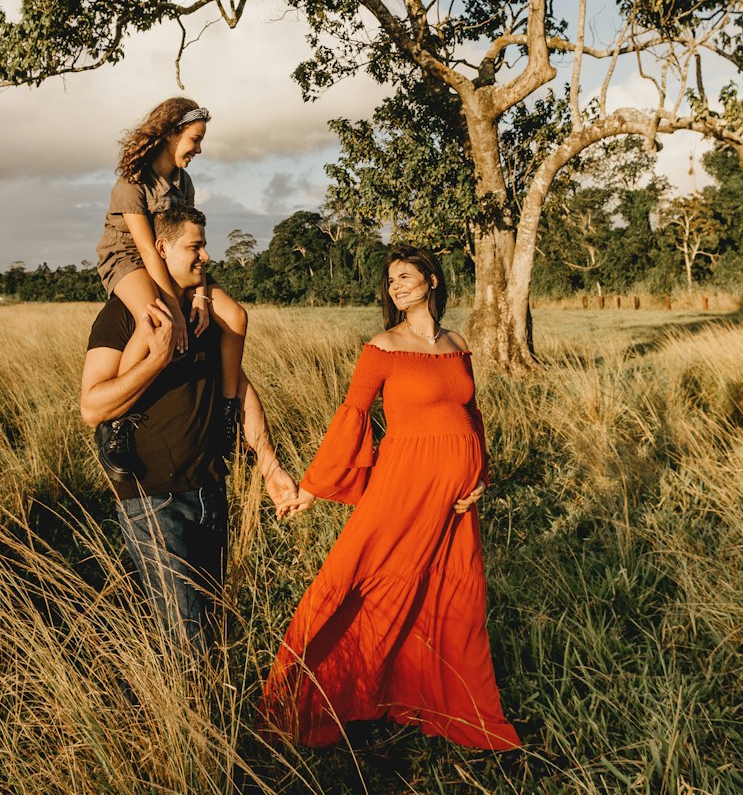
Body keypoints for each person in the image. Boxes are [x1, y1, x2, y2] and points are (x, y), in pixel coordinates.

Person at [260, 247, 520, 749]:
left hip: (456, 500)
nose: (396, 285)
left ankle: (433, 697)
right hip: (403, 487)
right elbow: (352, 416)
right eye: (390, 280)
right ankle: (308, 696)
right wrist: (312, 487)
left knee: (448, 595)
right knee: (359, 576)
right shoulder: (382, 347)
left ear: (433, 280)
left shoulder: (458, 343)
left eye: (405, 276)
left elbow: (472, 414)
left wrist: (480, 476)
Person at [82, 204, 298, 654]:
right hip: (151, 497)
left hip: (209, 489)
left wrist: (269, 466)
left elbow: (237, 389)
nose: (205, 256)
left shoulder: (206, 315)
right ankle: (188, 721)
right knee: (187, 640)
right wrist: (157, 358)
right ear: (161, 249)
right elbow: (93, 405)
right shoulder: (123, 316)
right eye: (194, 246)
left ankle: (196, 710)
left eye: (205, 245)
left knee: (214, 626)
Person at [95, 97, 248, 429]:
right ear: (170, 134)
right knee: (154, 319)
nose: (200, 149)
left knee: (235, 317)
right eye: (196, 139)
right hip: (128, 256)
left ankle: (226, 410)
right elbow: (147, 250)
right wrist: (176, 308)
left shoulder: (184, 183)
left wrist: (202, 296)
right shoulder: (132, 180)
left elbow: (190, 241)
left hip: (171, 258)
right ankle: (117, 422)